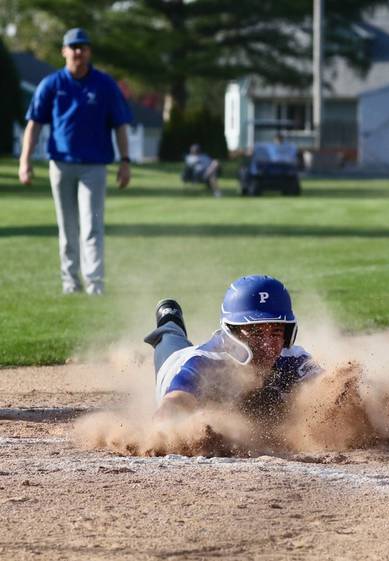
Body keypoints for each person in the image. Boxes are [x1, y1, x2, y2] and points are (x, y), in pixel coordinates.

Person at [18, 27, 132, 296]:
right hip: (61, 164)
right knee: (67, 226)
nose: (78, 52)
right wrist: (25, 161)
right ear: (64, 51)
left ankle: (95, 284)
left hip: (94, 166)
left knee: (92, 226)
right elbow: (33, 125)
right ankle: (70, 283)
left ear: (89, 51)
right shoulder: (52, 84)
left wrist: (125, 161)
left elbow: (121, 125)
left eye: (83, 47)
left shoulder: (104, 85)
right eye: (73, 47)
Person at [143, 275, 320, 420]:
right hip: (175, 360)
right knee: (169, 339)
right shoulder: (203, 362)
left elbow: (329, 390)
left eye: (276, 331)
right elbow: (176, 402)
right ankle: (170, 319)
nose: (267, 343)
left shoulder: (293, 359)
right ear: (232, 332)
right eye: (256, 333)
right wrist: (168, 422)